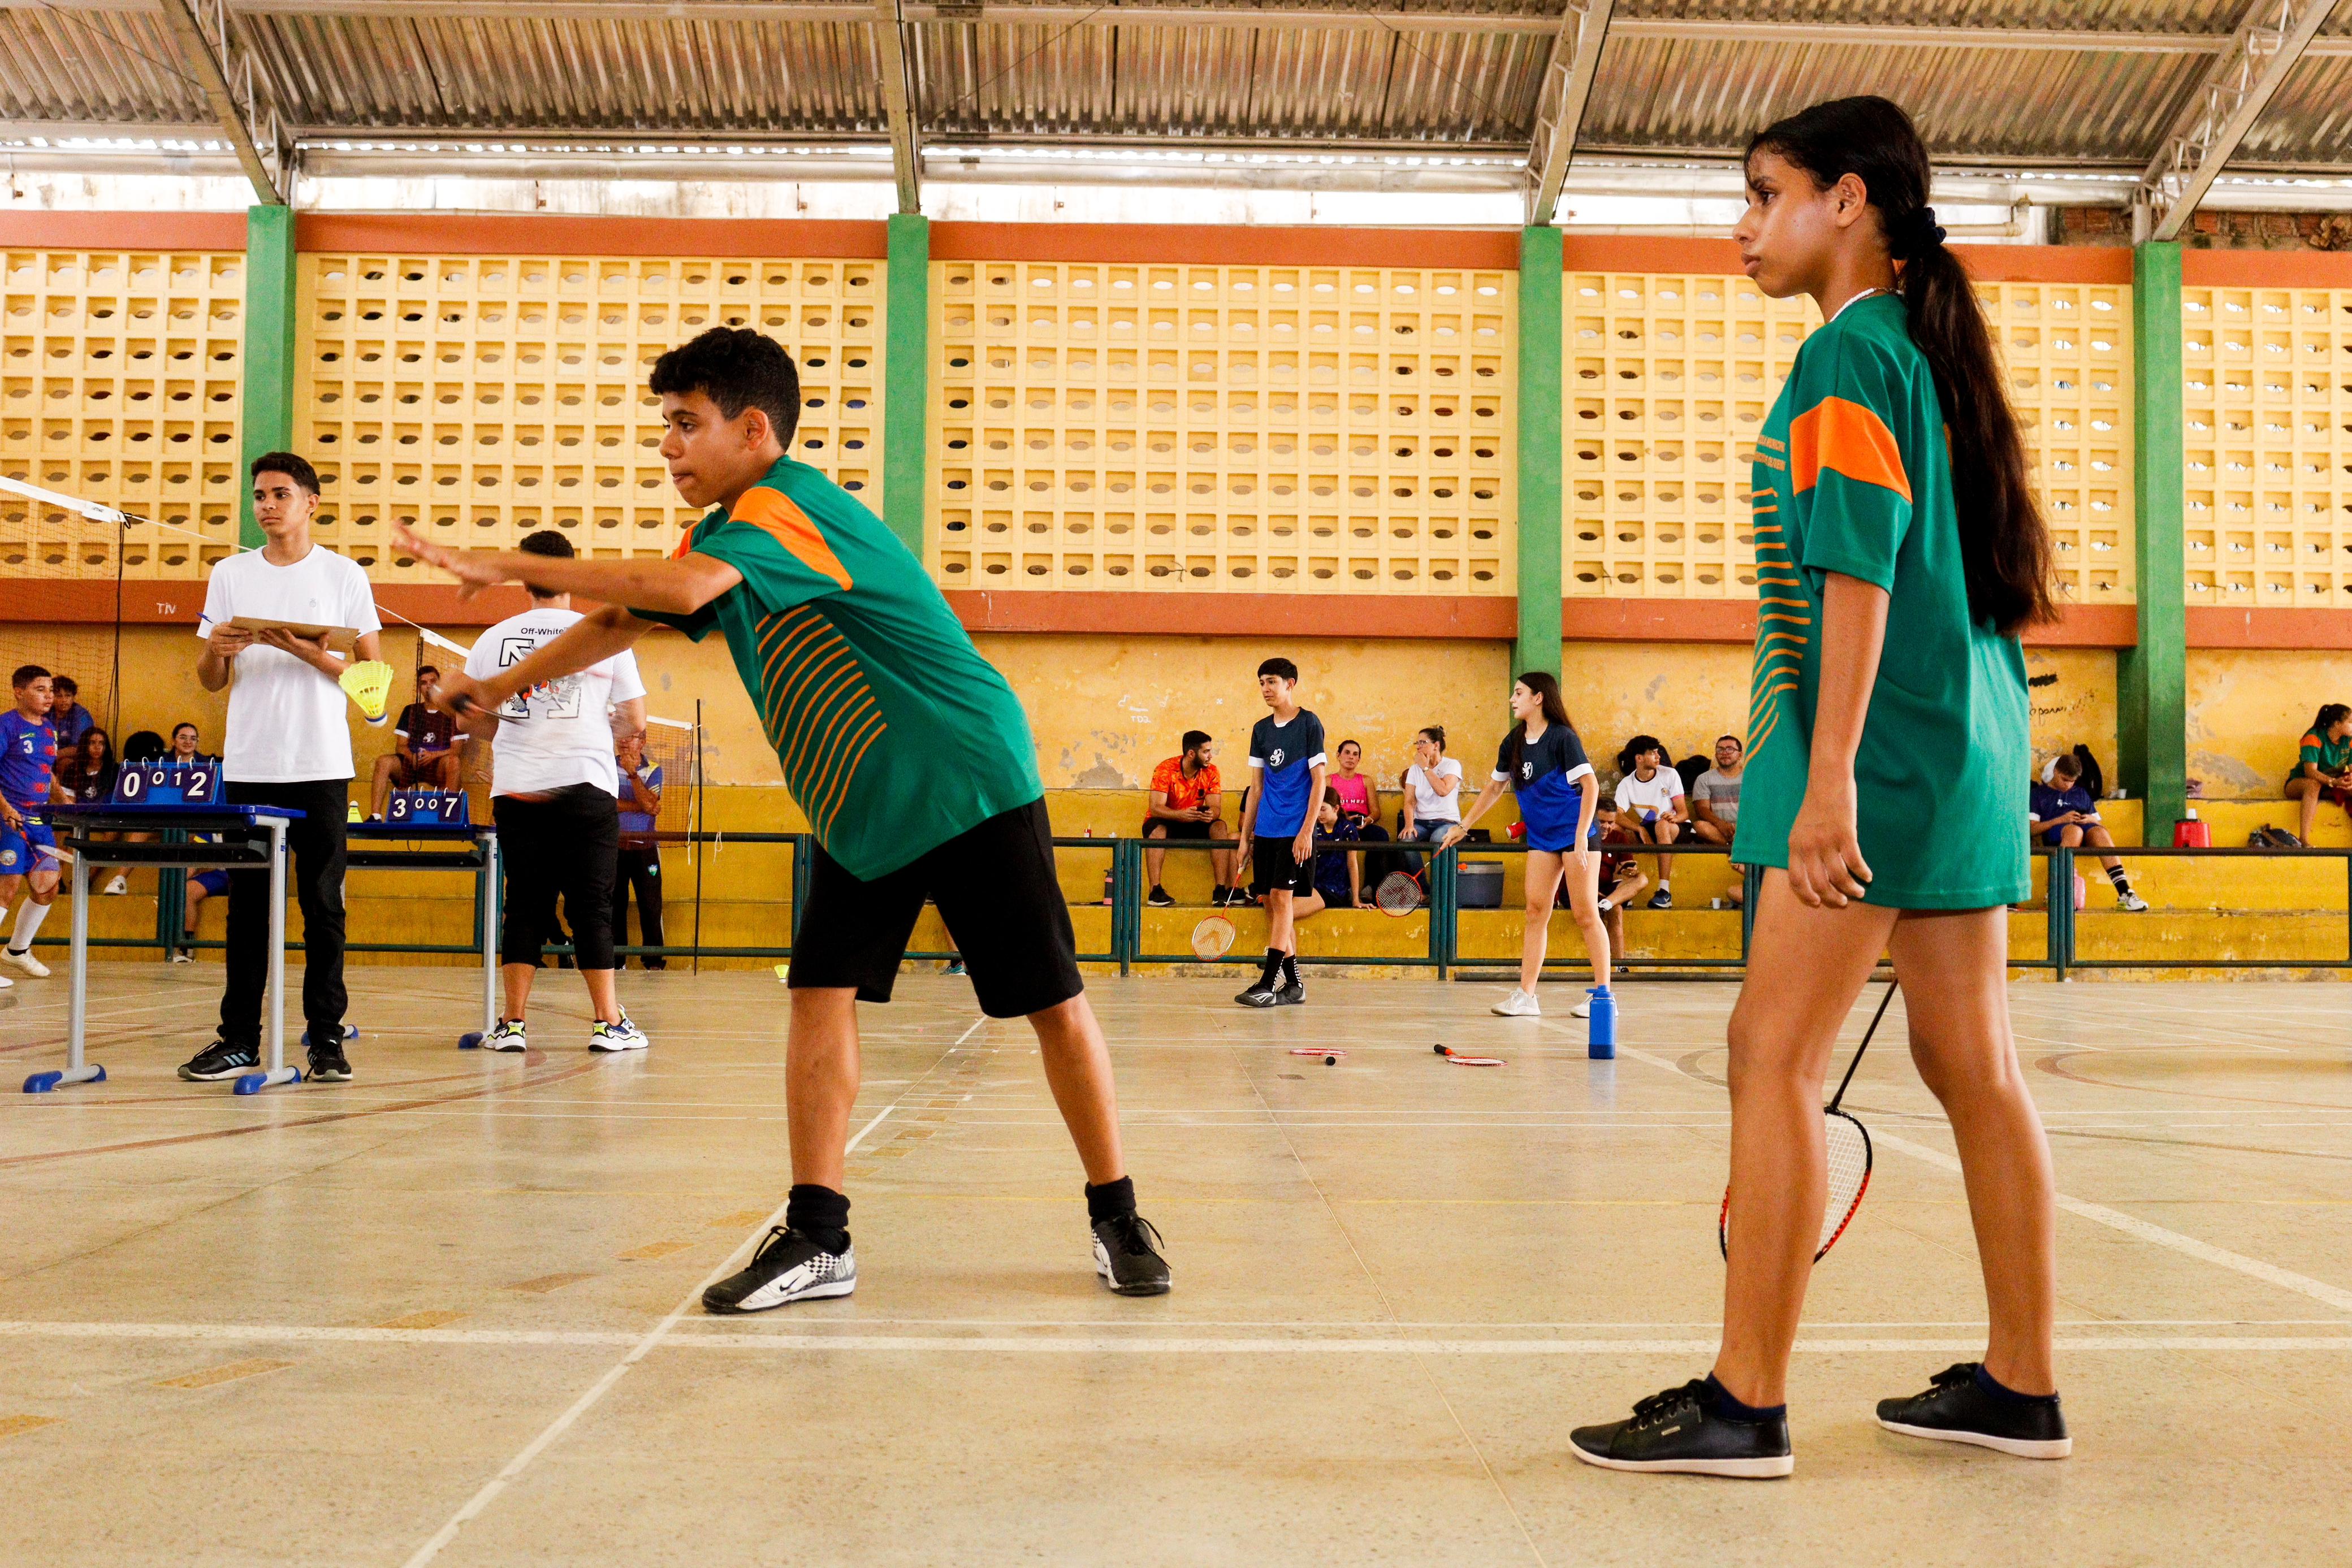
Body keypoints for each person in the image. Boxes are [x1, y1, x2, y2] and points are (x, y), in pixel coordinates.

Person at [395, 324, 1168, 1309]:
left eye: (687, 424)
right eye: (666, 425)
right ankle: (818, 1234)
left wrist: (499, 560)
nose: (669, 444)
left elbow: (673, 590)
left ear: (754, 428)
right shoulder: (721, 534)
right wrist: (501, 682)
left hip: (963, 775)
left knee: (1049, 999)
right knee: (820, 991)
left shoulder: (787, 508)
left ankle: (1117, 1212)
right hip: (864, 803)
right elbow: (621, 621)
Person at [1571, 97, 2069, 1478]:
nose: (1742, 225)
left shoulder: (1850, 358)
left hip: (1877, 757)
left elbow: (1855, 576)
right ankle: (2021, 1385)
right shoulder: (1922, 348)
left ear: (1846, 201)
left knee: (1766, 1056)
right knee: (1973, 1064)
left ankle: (1745, 1402)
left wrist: (1830, 781)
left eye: (1762, 193)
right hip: (1965, 745)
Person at [176, 452, 381, 1085]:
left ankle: (326, 1041)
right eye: (259, 495)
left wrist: (309, 653)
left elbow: (374, 683)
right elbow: (212, 682)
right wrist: (217, 650)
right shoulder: (230, 573)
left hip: (320, 765)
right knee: (247, 909)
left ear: (311, 502)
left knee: (323, 906)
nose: (267, 505)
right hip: (249, 762)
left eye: (280, 494)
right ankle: (238, 1039)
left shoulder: (345, 575)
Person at [463, 530, 650, 1054]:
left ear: (525, 578)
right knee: (592, 906)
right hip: (585, 784)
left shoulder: (491, 640)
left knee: (524, 905)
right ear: (571, 574)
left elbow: (476, 722)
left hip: (518, 789)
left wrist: (513, 734)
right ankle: (608, 1024)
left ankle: (512, 1025)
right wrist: (597, 733)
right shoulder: (606, 634)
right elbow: (634, 718)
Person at [1443, 672, 1612, 1021]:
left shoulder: (1563, 738)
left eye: (1518, 693)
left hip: (1575, 833)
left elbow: (1591, 786)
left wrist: (1582, 833)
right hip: (1540, 835)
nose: (1512, 699)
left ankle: (1603, 995)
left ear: (1539, 698)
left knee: (1585, 913)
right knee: (1536, 911)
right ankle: (1526, 996)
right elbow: (1494, 789)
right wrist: (1464, 825)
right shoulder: (1513, 742)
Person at [1234, 656, 1327, 1008]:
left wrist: (1307, 831)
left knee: (1283, 900)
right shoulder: (1261, 729)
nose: (1265, 689)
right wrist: (1246, 838)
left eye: (1271, 682)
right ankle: (1295, 985)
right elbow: (1256, 789)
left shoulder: (1309, 724)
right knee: (1271, 902)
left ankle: (1267, 983)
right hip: (1267, 829)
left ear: (1290, 683)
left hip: (1295, 829)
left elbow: (1320, 781)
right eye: (1261, 683)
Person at [0, 665, 66, 982]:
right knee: (7, 888)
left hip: (39, 820)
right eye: (41, 689)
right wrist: (5, 809)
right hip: (8, 818)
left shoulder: (49, 730)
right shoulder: (6, 725)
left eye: (51, 690)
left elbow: (46, 769)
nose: (49, 696)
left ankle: (17, 951)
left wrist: (63, 799)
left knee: (48, 887)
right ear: (19, 692)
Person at [2030, 755, 2147, 912]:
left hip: (2084, 829)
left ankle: (2124, 892)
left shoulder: (2081, 792)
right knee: (2074, 830)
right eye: (2065, 780)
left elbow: (2100, 824)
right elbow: (2032, 829)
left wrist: (2092, 819)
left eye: (2072, 781)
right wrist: (2060, 820)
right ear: (2056, 772)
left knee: (2100, 832)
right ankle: (2057, 892)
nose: (2069, 785)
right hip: (2059, 831)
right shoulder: (2039, 794)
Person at [1143, 730, 1238, 908]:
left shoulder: (1212, 772)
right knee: (1157, 830)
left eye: (1210, 751)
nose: (1211, 756)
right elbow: (1156, 808)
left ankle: (1220, 890)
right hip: (1168, 819)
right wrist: (1180, 814)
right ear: (1191, 754)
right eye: (1206, 752)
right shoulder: (1165, 769)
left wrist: (1212, 814)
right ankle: (1155, 891)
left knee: (1220, 827)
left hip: (1195, 819)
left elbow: (1216, 807)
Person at [370, 665, 461, 820]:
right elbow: (401, 745)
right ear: (419, 689)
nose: (429, 686)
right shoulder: (411, 711)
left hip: (438, 766)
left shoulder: (453, 712)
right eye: (424, 683)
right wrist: (412, 757)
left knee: (454, 762)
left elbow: (457, 750)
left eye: (433, 681)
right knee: (383, 762)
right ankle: (375, 816)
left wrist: (433, 755)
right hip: (412, 764)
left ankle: (449, 816)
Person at [613, 727, 668, 970]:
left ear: (642, 742)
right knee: (614, 904)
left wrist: (633, 774)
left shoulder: (654, 770)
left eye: (631, 736)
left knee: (650, 903)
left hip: (646, 850)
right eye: (620, 736)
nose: (624, 741)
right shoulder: (604, 764)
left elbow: (650, 805)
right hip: (613, 848)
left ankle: (653, 961)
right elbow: (605, 804)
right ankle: (616, 961)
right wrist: (641, 805)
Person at [1613, 734, 1686, 910]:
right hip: (1649, 829)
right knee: (1614, 830)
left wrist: (1674, 818)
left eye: (1657, 752)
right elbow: (1616, 815)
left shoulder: (1669, 774)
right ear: (1639, 758)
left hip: (1676, 827)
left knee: (1662, 825)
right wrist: (1639, 829)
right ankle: (1622, 889)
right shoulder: (1627, 783)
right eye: (1653, 753)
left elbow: (1683, 812)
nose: (1658, 756)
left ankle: (1664, 891)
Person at [1326, 738, 1390, 907]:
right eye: (1347, 753)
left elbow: (1376, 811)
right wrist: (1343, 819)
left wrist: (1368, 820)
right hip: (1339, 822)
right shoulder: (1329, 781)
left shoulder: (1366, 780)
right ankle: (1342, 889)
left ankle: (1371, 886)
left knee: (1381, 836)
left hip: (1362, 822)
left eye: (1355, 754)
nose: (1351, 757)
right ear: (1338, 756)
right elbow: (1322, 808)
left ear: (1359, 760)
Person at [1397, 726, 1462, 876]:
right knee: (1406, 839)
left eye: (1423, 742)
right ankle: (1423, 888)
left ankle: (1439, 890)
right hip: (1421, 822)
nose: (1419, 747)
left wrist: (1426, 768)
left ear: (1436, 745)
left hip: (1447, 822)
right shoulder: (1414, 770)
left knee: (1437, 840)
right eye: (1417, 743)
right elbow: (1409, 801)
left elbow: (1443, 791)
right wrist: (1409, 825)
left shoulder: (1452, 765)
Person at [1591, 801, 1651, 962]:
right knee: (1616, 910)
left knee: (1642, 879)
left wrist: (1631, 871)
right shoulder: (1581, 835)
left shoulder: (1619, 837)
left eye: (1611, 822)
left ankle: (1619, 966)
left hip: (1605, 891)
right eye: (1601, 821)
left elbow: (1625, 868)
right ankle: (1606, 904)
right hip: (1581, 889)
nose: (1606, 826)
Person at [2284, 703, 2351, 847]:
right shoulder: (2314, 737)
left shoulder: (2349, 740)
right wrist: (2334, 782)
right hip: (2299, 784)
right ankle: (2304, 839)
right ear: (2337, 724)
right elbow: (2310, 772)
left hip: (2331, 786)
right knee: (2314, 785)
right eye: (2350, 722)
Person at [47, 675, 93, 751]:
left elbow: (77, 748)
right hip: (49, 754)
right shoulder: (47, 713)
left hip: (75, 757)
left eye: (68, 696)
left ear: (73, 697)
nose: (64, 700)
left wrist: (52, 757)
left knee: (66, 762)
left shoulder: (81, 715)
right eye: (59, 696)